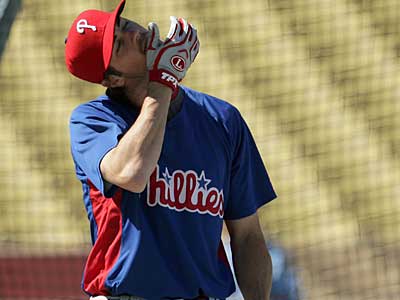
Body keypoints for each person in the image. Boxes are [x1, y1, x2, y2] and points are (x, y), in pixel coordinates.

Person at [65, 0, 277, 299]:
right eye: (118, 45)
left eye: (124, 26)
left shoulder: (221, 119)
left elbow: (247, 236)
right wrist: (163, 81)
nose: (133, 34)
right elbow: (134, 173)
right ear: (113, 78)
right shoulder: (94, 121)